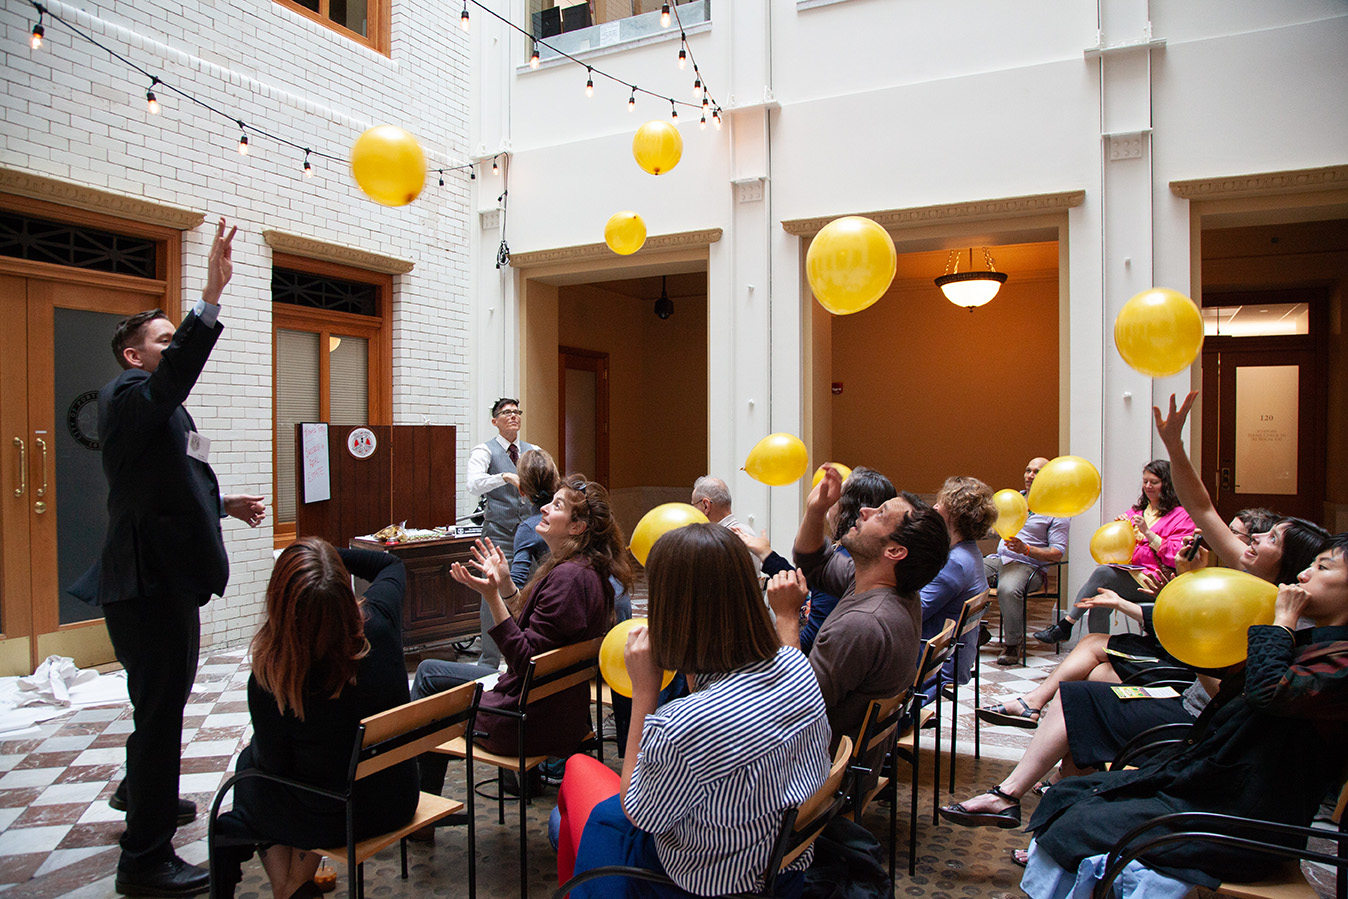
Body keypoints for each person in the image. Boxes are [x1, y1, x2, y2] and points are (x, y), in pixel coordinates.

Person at [68, 219, 266, 898]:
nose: (173, 347)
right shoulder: (126, 396)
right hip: (147, 586)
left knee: (160, 702)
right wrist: (209, 297)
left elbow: (164, 488)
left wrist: (224, 504)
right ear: (133, 356)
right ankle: (144, 859)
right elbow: (172, 381)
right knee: (160, 713)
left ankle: (141, 791)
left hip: (158, 577)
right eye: (163, 339)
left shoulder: (149, 409)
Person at [944, 516, 1330, 835]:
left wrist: (1190, 637)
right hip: (1189, 696)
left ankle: (1022, 794)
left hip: (1195, 717)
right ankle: (1045, 808)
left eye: (1271, 537)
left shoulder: (1280, 621)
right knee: (1088, 689)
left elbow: (1228, 693)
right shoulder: (1250, 592)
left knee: (1082, 694)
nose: (1254, 538)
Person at [1016, 535, 1348, 895]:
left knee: (1079, 821)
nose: (1303, 576)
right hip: (1218, 788)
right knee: (1072, 794)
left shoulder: (1339, 659)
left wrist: (1282, 623)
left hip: (1241, 819)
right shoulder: (1316, 641)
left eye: (1322, 567)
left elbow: (1269, 694)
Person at [557, 524, 832, 899]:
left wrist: (644, 693)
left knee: (574, 785)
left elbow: (639, 813)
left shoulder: (684, 725)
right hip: (777, 866)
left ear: (670, 610)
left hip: (704, 881)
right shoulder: (796, 666)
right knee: (569, 817)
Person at [412, 475, 632, 811]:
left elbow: (524, 658)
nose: (542, 507)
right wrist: (503, 586)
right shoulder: (586, 571)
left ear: (577, 528)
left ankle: (414, 805)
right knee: (433, 672)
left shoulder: (569, 578)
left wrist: (490, 597)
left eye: (556, 505)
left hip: (522, 721)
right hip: (555, 711)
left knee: (428, 675)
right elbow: (537, 636)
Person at [212, 540, 413, 899]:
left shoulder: (273, 682)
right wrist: (330, 554)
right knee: (274, 772)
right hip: (395, 797)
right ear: (342, 589)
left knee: (248, 768)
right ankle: (292, 888)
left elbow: (276, 768)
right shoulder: (380, 623)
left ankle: (288, 889)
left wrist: (315, 556)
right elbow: (392, 564)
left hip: (332, 817)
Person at [766, 465, 949, 746]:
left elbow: (794, 704)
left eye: (880, 514)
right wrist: (816, 511)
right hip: (845, 752)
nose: (865, 511)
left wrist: (787, 615)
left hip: (812, 760)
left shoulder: (863, 624)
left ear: (895, 551)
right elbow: (815, 563)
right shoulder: (889, 586)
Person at [737, 466, 898, 652]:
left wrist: (783, 617)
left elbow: (808, 644)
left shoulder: (848, 562)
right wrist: (766, 554)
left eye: (837, 495)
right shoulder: (857, 556)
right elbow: (807, 579)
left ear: (852, 508)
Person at [1034, 460, 1195, 642]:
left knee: (1103, 574)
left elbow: (1177, 556)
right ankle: (1099, 649)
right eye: (1145, 481)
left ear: (1167, 484)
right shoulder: (1138, 511)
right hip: (1133, 574)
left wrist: (1148, 534)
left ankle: (1067, 624)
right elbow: (1119, 544)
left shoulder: (1182, 515)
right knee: (1100, 598)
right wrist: (1121, 528)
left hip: (1156, 581)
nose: (1148, 486)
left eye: (1154, 482)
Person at [465, 397, 535, 669]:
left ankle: (527, 651)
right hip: (499, 533)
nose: (513, 416)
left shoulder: (531, 451)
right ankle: (489, 661)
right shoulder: (485, 451)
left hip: (528, 534)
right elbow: (473, 484)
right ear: (495, 421)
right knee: (492, 592)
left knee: (531, 589)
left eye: (517, 411)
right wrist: (504, 477)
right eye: (506, 413)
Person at [984, 458, 1070, 665]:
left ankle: (1013, 645)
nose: (1030, 476)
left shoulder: (1057, 510)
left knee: (1007, 589)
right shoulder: (1013, 500)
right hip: (999, 560)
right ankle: (976, 629)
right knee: (962, 572)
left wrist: (1027, 549)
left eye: (1037, 472)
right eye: (1028, 470)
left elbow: (1057, 552)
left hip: (1029, 567)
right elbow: (994, 529)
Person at [921, 476, 996, 693]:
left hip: (936, 665)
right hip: (955, 657)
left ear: (955, 513)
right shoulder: (969, 552)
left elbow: (915, 612)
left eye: (940, 503)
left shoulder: (956, 563)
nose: (935, 507)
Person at [509, 448, 562, 587]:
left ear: (521, 490)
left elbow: (517, 582)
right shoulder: (578, 513)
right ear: (557, 481)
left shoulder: (529, 528)